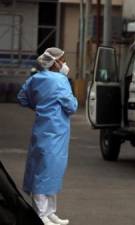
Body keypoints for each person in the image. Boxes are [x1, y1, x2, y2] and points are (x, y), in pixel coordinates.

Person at [17, 47, 78, 225]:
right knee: (46, 172)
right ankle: (42, 214)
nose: (65, 63)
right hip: (56, 131)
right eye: (63, 60)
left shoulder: (35, 79)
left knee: (49, 170)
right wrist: (66, 80)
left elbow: (22, 98)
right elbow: (72, 106)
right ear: (56, 62)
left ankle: (50, 212)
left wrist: (41, 107)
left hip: (43, 129)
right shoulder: (60, 80)